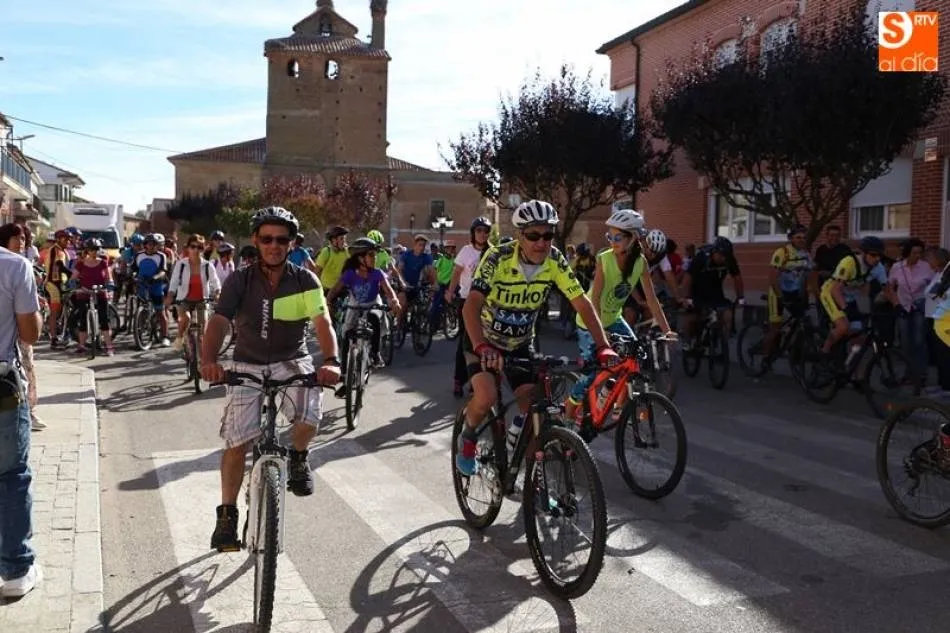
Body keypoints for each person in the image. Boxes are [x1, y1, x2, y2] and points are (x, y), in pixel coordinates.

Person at [200, 206, 341, 553]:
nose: (274, 245)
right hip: (247, 363)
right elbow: (220, 321)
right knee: (236, 442)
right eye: (266, 239)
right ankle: (228, 515)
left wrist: (332, 361)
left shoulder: (305, 280)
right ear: (256, 241)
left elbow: (322, 323)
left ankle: (298, 456)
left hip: (291, 360)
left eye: (281, 239)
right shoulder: (240, 280)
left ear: (292, 243)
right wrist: (208, 359)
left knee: (310, 413)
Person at [456, 200, 617, 476]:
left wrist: (603, 346)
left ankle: (535, 482)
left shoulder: (555, 260)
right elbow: (471, 305)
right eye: (533, 235)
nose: (541, 242)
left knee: (535, 416)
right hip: (484, 339)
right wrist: (482, 345)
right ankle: (468, 436)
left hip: (520, 343)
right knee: (486, 395)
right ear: (520, 235)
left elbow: (582, 303)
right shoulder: (497, 257)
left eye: (548, 235)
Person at [565, 210, 674, 426]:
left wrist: (666, 330)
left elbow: (652, 300)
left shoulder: (641, 263)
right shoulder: (604, 259)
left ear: (633, 238)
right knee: (591, 373)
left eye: (618, 237)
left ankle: (617, 407)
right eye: (610, 237)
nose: (612, 241)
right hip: (589, 321)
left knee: (634, 358)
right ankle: (567, 413)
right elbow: (593, 301)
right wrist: (600, 333)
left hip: (613, 318)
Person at [0, 240, 43, 597]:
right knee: (11, 476)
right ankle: (15, 569)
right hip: (1, 388)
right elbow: (30, 333)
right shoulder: (14, 266)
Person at [326, 237, 400, 389]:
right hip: (355, 305)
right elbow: (335, 289)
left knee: (373, 316)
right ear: (360, 258)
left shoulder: (378, 273)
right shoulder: (350, 274)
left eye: (375, 255)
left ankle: (375, 353)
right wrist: (328, 301)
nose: (375, 258)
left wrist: (394, 301)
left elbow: (388, 290)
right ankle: (345, 375)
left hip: (373, 303)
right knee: (347, 335)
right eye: (371, 255)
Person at [445, 216, 492, 397]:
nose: (482, 234)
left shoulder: (493, 251)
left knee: (484, 342)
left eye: (486, 231)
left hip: (487, 303)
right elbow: (457, 273)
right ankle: (459, 379)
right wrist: (450, 291)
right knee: (466, 342)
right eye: (479, 230)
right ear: (473, 232)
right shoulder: (466, 251)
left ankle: (477, 380)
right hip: (467, 301)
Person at [818, 235, 887, 355]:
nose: (877, 259)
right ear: (863, 253)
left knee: (859, 334)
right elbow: (835, 290)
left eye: (879, 256)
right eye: (873, 255)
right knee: (843, 327)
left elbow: (880, 288)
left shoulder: (878, 268)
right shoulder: (849, 262)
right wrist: (846, 308)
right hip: (831, 293)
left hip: (850, 296)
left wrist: (898, 305)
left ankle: (851, 365)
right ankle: (824, 351)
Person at [680, 236, 745, 348]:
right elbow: (687, 278)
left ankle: (722, 346)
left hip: (716, 291)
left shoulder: (729, 259)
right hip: (697, 290)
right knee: (693, 317)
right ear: (714, 252)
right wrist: (687, 298)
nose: (723, 259)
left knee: (727, 315)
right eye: (721, 256)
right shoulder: (702, 258)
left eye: (726, 256)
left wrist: (741, 298)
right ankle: (688, 340)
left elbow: (737, 278)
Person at [762, 224, 813, 359]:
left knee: (801, 321)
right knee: (775, 327)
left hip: (794, 292)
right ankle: (766, 357)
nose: (801, 240)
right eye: (798, 237)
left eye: (803, 238)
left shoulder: (806, 255)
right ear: (791, 238)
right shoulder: (782, 252)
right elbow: (773, 277)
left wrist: (810, 294)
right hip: (778, 292)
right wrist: (780, 297)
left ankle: (793, 350)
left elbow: (808, 276)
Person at [166, 234, 222, 350]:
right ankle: (180, 336)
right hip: (184, 300)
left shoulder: (208, 265)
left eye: (200, 247)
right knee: (185, 318)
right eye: (193, 246)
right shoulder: (181, 264)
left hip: (202, 300)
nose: (196, 250)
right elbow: (174, 281)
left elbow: (215, 281)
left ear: (203, 249)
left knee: (203, 331)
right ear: (188, 248)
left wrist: (217, 292)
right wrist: (170, 295)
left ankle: (201, 364)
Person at [67, 238, 116, 356]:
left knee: (104, 320)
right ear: (87, 250)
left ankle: (109, 346)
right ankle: (82, 345)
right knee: (82, 318)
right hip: (84, 292)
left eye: (97, 249)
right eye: (92, 249)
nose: (94, 252)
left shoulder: (103, 262)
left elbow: (108, 277)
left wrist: (109, 284)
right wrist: (73, 284)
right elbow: (73, 278)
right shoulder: (81, 263)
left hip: (99, 292)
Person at [132, 234, 171, 347]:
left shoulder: (161, 256)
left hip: (156, 285)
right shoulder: (139, 255)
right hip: (142, 285)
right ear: (145, 245)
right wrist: (133, 276)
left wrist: (155, 277)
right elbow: (134, 268)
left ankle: (165, 337)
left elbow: (163, 271)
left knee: (160, 312)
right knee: (140, 311)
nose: (152, 246)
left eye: (155, 244)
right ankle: (139, 336)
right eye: (150, 244)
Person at [925, 247, 950, 397]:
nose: (928, 263)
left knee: (944, 353)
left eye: (929, 259)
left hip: (943, 319)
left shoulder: (947, 273)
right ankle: (942, 384)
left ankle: (947, 387)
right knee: (938, 354)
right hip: (933, 317)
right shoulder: (939, 273)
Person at [396, 234, 436, 328]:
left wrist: (435, 284)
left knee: (422, 303)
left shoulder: (426, 257)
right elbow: (399, 270)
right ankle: (398, 326)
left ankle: (417, 324)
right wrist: (403, 282)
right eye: (420, 245)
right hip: (404, 284)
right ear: (414, 245)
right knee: (403, 304)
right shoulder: (406, 255)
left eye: (423, 245)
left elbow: (432, 271)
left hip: (416, 285)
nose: (422, 247)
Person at [428, 239, 457, 330]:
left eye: (452, 248)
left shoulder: (455, 261)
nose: (450, 250)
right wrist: (435, 282)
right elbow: (434, 269)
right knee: (436, 305)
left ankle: (450, 317)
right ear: (445, 249)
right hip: (440, 284)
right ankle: (433, 325)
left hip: (450, 284)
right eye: (448, 248)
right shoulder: (441, 259)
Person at [315, 226, 349, 293]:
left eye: (344, 239)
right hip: (326, 289)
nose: (344, 241)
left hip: (342, 289)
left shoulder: (347, 252)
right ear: (334, 240)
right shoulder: (326, 252)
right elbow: (317, 272)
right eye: (341, 239)